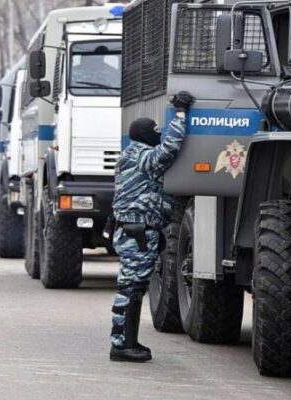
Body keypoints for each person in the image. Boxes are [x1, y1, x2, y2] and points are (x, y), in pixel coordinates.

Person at [109, 91, 196, 363]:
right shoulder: (144, 157)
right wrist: (181, 113)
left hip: (132, 230)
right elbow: (170, 148)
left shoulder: (128, 155)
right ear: (146, 135)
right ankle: (122, 346)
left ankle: (126, 342)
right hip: (138, 232)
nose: (158, 135)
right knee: (131, 288)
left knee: (131, 286)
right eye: (155, 131)